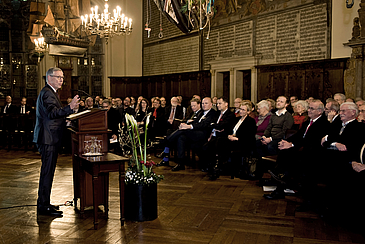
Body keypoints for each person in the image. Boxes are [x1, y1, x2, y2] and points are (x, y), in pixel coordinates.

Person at [263, 100, 330, 211]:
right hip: (303, 151)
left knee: (288, 155)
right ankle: (280, 181)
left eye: (312, 108)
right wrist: (286, 141)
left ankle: (279, 175)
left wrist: (292, 144)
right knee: (284, 150)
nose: (309, 110)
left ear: (320, 111)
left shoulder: (323, 124)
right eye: (309, 108)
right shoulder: (308, 122)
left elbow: (311, 141)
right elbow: (298, 135)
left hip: (314, 154)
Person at [33, 67, 79, 217]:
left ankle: (45, 203)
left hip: (49, 137)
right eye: (58, 77)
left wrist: (66, 118)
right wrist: (69, 107)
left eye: (62, 77)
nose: (61, 80)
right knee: (47, 172)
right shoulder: (47, 93)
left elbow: (52, 116)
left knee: (48, 172)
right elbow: (52, 113)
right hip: (47, 139)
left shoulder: (51, 92)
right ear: (49, 78)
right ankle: (43, 206)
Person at [201, 97, 235, 178]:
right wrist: (215, 126)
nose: (218, 105)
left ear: (226, 104)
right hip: (214, 135)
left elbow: (223, 126)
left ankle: (216, 168)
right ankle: (210, 166)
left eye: (220, 103)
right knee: (205, 147)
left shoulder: (230, 115)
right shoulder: (217, 114)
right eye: (217, 104)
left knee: (217, 145)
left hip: (224, 138)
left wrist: (215, 125)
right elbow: (210, 124)